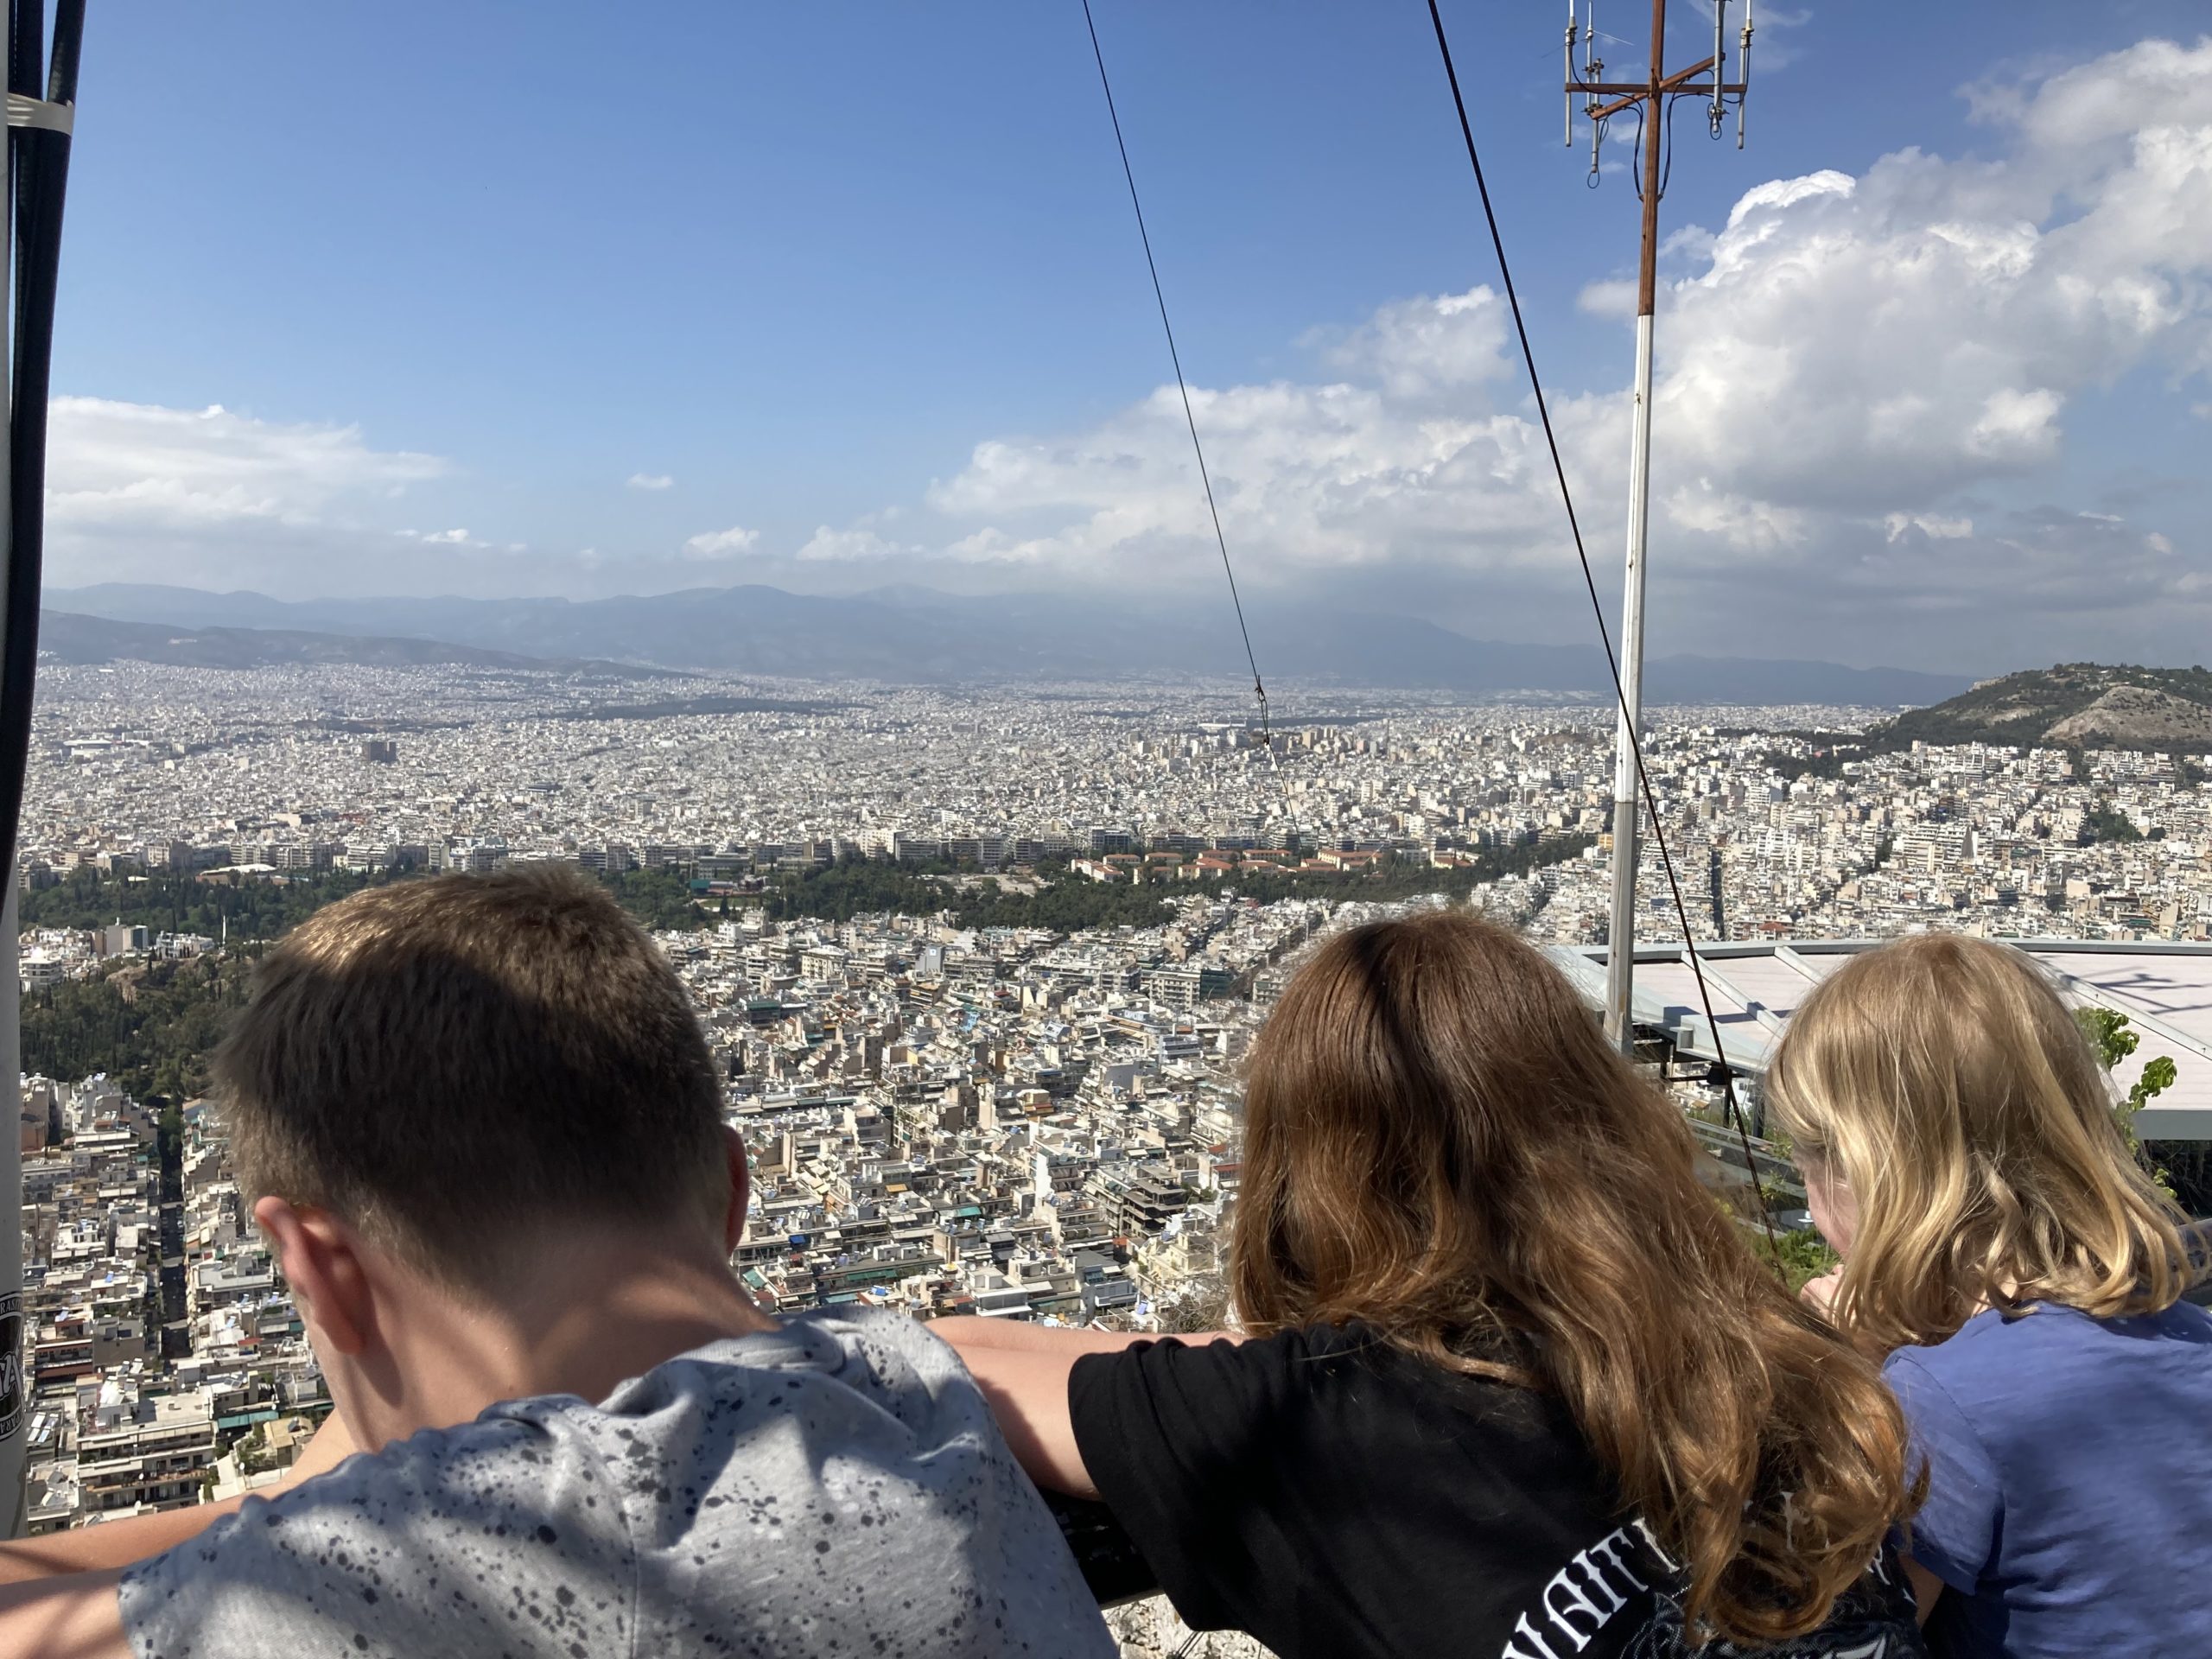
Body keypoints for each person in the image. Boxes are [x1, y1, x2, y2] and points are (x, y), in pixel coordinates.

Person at [0, 866, 1116, 1659]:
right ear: (733, 1192)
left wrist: (316, 1495)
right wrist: (305, 1500)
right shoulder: (919, 1384)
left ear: (320, 1272)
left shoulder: (463, 1554)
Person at [938, 911, 1924, 1659]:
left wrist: (1247, 1370)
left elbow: (939, 1366)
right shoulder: (1782, 1353)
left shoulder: (1333, 1421)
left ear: (1316, 1176)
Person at [1768, 933, 2212, 1657]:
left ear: (1865, 1171)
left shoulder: (1938, 1400)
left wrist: (1844, 1388)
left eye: (1806, 1165)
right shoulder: (2190, 1332)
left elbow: (1845, 1639)